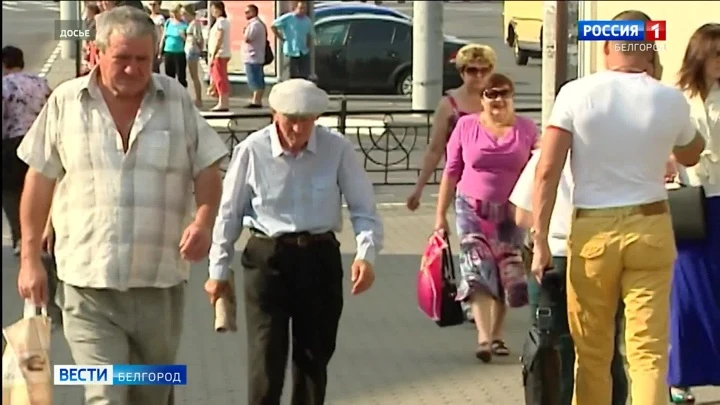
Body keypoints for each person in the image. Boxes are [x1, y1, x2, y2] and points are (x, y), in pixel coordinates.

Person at [15, 6, 228, 404]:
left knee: (152, 393)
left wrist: (203, 221)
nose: (133, 69)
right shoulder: (66, 102)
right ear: (96, 54)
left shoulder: (176, 100)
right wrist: (29, 258)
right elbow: (39, 181)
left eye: (143, 60)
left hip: (159, 286)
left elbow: (207, 168)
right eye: (122, 59)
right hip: (87, 287)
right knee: (106, 394)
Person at [530, 10, 706, 405]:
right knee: (647, 352)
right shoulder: (668, 98)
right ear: (650, 52)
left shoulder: (576, 93)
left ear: (607, 46)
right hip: (652, 225)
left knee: (593, 352)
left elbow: (547, 170)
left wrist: (540, 238)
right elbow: (692, 153)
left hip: (594, 229)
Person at [206, 79, 383, 405]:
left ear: (316, 118)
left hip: (319, 258)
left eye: (306, 120)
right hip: (266, 258)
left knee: (313, 356)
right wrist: (218, 271)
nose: (298, 128)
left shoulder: (337, 148)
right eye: (290, 119)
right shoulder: (252, 150)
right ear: (274, 114)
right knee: (266, 356)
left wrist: (366, 254)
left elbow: (363, 207)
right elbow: (228, 214)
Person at [509, 81, 628, 405]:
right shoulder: (617, 158)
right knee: (605, 344)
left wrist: (547, 229)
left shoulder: (545, 157)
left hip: (552, 256)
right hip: (599, 254)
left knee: (553, 342)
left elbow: (521, 213)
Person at [435, 73, 535, 361]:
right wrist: (440, 215)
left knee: (507, 272)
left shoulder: (526, 129)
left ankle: (497, 334)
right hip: (471, 209)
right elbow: (452, 171)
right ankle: (483, 338)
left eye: (504, 94)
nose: (498, 100)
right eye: (491, 94)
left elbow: (541, 168)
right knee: (477, 270)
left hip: (511, 210)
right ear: (483, 100)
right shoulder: (467, 126)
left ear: (512, 97)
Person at [667, 22, 720, 404]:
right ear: (700, 55)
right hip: (691, 201)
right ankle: (681, 378)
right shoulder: (678, 97)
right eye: (717, 54)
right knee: (688, 292)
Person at [407, 43, 496, 211]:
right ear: (462, 72)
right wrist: (418, 189)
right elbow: (435, 149)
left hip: (498, 182)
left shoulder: (497, 100)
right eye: (472, 70)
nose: (479, 75)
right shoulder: (449, 104)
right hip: (463, 183)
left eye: (484, 70)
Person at [2, 46, 51, 256]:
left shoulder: (4, 86)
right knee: (40, 188)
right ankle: (41, 233)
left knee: (11, 192)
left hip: (12, 144)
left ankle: (20, 236)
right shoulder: (40, 82)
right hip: (40, 140)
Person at [272, 1, 314, 80]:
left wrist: (307, 45)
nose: (303, 10)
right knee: (289, 75)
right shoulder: (288, 18)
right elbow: (273, 25)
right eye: (301, 8)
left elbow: (310, 34)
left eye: (304, 9)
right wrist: (281, 38)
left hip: (303, 51)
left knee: (303, 76)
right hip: (290, 51)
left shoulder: (307, 20)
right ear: (295, 8)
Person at [243, 3, 267, 108]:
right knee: (256, 78)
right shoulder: (257, 23)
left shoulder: (255, 24)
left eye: (247, 12)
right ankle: (256, 100)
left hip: (253, 56)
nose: (245, 14)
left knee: (255, 79)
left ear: (253, 12)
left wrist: (244, 32)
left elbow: (248, 38)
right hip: (256, 56)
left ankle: (257, 101)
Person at [208, 0, 231, 111]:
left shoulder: (221, 22)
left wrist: (214, 53)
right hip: (220, 53)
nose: (212, 12)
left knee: (220, 78)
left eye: (214, 9)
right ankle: (221, 100)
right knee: (218, 77)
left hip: (219, 54)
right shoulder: (220, 22)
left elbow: (219, 38)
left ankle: (223, 102)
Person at [161, 4, 188, 87]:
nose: (174, 14)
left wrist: (183, 36)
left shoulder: (184, 24)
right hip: (168, 51)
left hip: (179, 52)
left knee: (181, 76)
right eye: (173, 12)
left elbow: (188, 40)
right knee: (169, 76)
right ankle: (171, 95)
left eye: (176, 12)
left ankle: (182, 95)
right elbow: (164, 37)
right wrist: (160, 51)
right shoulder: (168, 22)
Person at [182, 4, 204, 108]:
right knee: (192, 76)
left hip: (192, 50)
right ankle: (197, 98)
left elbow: (198, 38)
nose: (183, 16)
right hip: (190, 49)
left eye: (184, 14)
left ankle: (198, 99)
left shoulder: (195, 23)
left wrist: (200, 48)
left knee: (194, 76)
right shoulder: (191, 23)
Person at [148, 1, 165, 73]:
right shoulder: (148, 17)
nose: (152, 7)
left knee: (155, 70)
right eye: (151, 5)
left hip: (156, 46)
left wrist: (160, 51)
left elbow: (162, 34)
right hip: (148, 45)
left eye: (154, 5)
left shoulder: (160, 18)